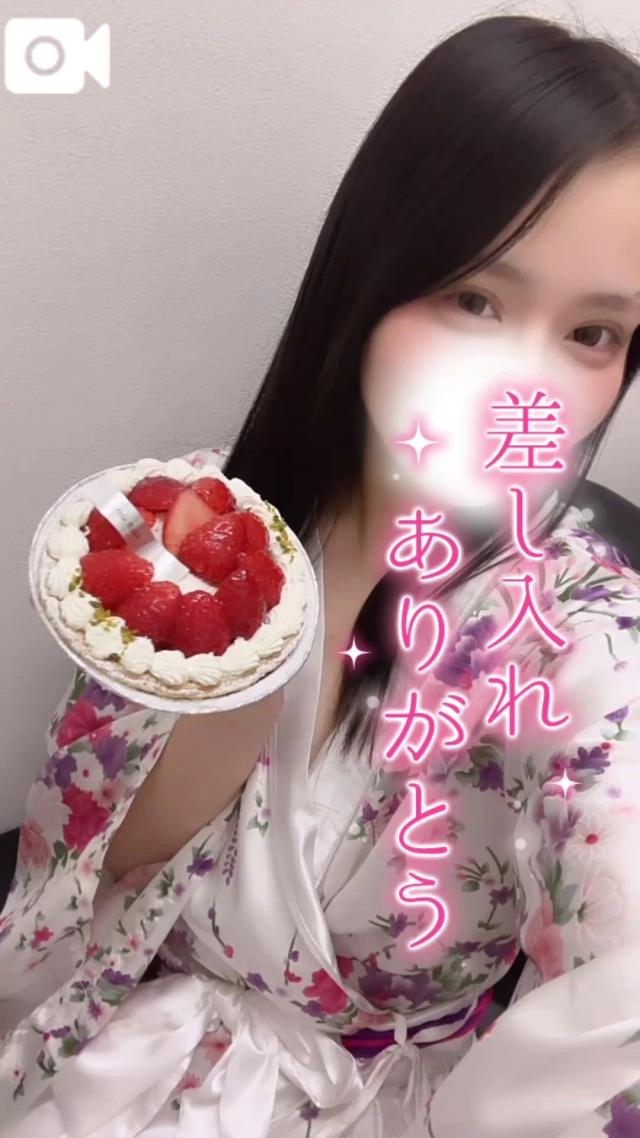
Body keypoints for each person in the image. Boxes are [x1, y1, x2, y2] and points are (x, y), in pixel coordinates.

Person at [2, 12, 640, 1137]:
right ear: (375, 270)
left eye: (593, 334)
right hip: (129, 1056)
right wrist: (236, 660)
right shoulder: (200, 527)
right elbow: (94, 873)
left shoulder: (571, 621)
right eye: (477, 300)